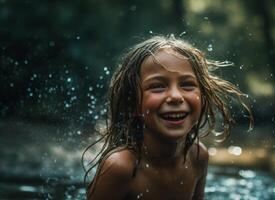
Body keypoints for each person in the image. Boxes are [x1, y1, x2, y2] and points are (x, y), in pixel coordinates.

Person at [83, 35, 252, 200]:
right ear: (132, 104)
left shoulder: (198, 156)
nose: (176, 96)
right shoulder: (120, 167)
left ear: (203, 98)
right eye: (157, 87)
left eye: (187, 84)